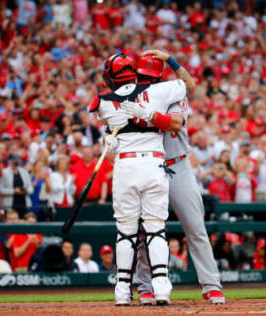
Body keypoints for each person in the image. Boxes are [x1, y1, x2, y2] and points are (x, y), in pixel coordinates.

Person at [89, 52, 187, 305]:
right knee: (156, 229)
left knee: (126, 232)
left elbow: (108, 138)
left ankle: (122, 290)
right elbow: (188, 84)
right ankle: (161, 287)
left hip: (125, 165)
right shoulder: (160, 91)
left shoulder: (103, 101)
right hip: (153, 163)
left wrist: (108, 138)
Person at [130, 51, 225, 304]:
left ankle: (211, 285)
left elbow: (174, 121)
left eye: (149, 77)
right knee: (144, 232)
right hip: (149, 167)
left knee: (195, 227)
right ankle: (145, 286)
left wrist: (170, 58)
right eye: (142, 77)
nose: (146, 81)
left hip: (178, 166)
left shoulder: (171, 91)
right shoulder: (135, 93)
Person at [0, 153, 33, 217]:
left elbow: (31, 188)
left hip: (23, 204)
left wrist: (26, 191)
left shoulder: (24, 172)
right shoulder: (4, 172)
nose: (16, 163)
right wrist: (14, 191)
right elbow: (0, 189)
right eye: (14, 162)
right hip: (9, 204)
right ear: (9, 161)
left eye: (17, 161)